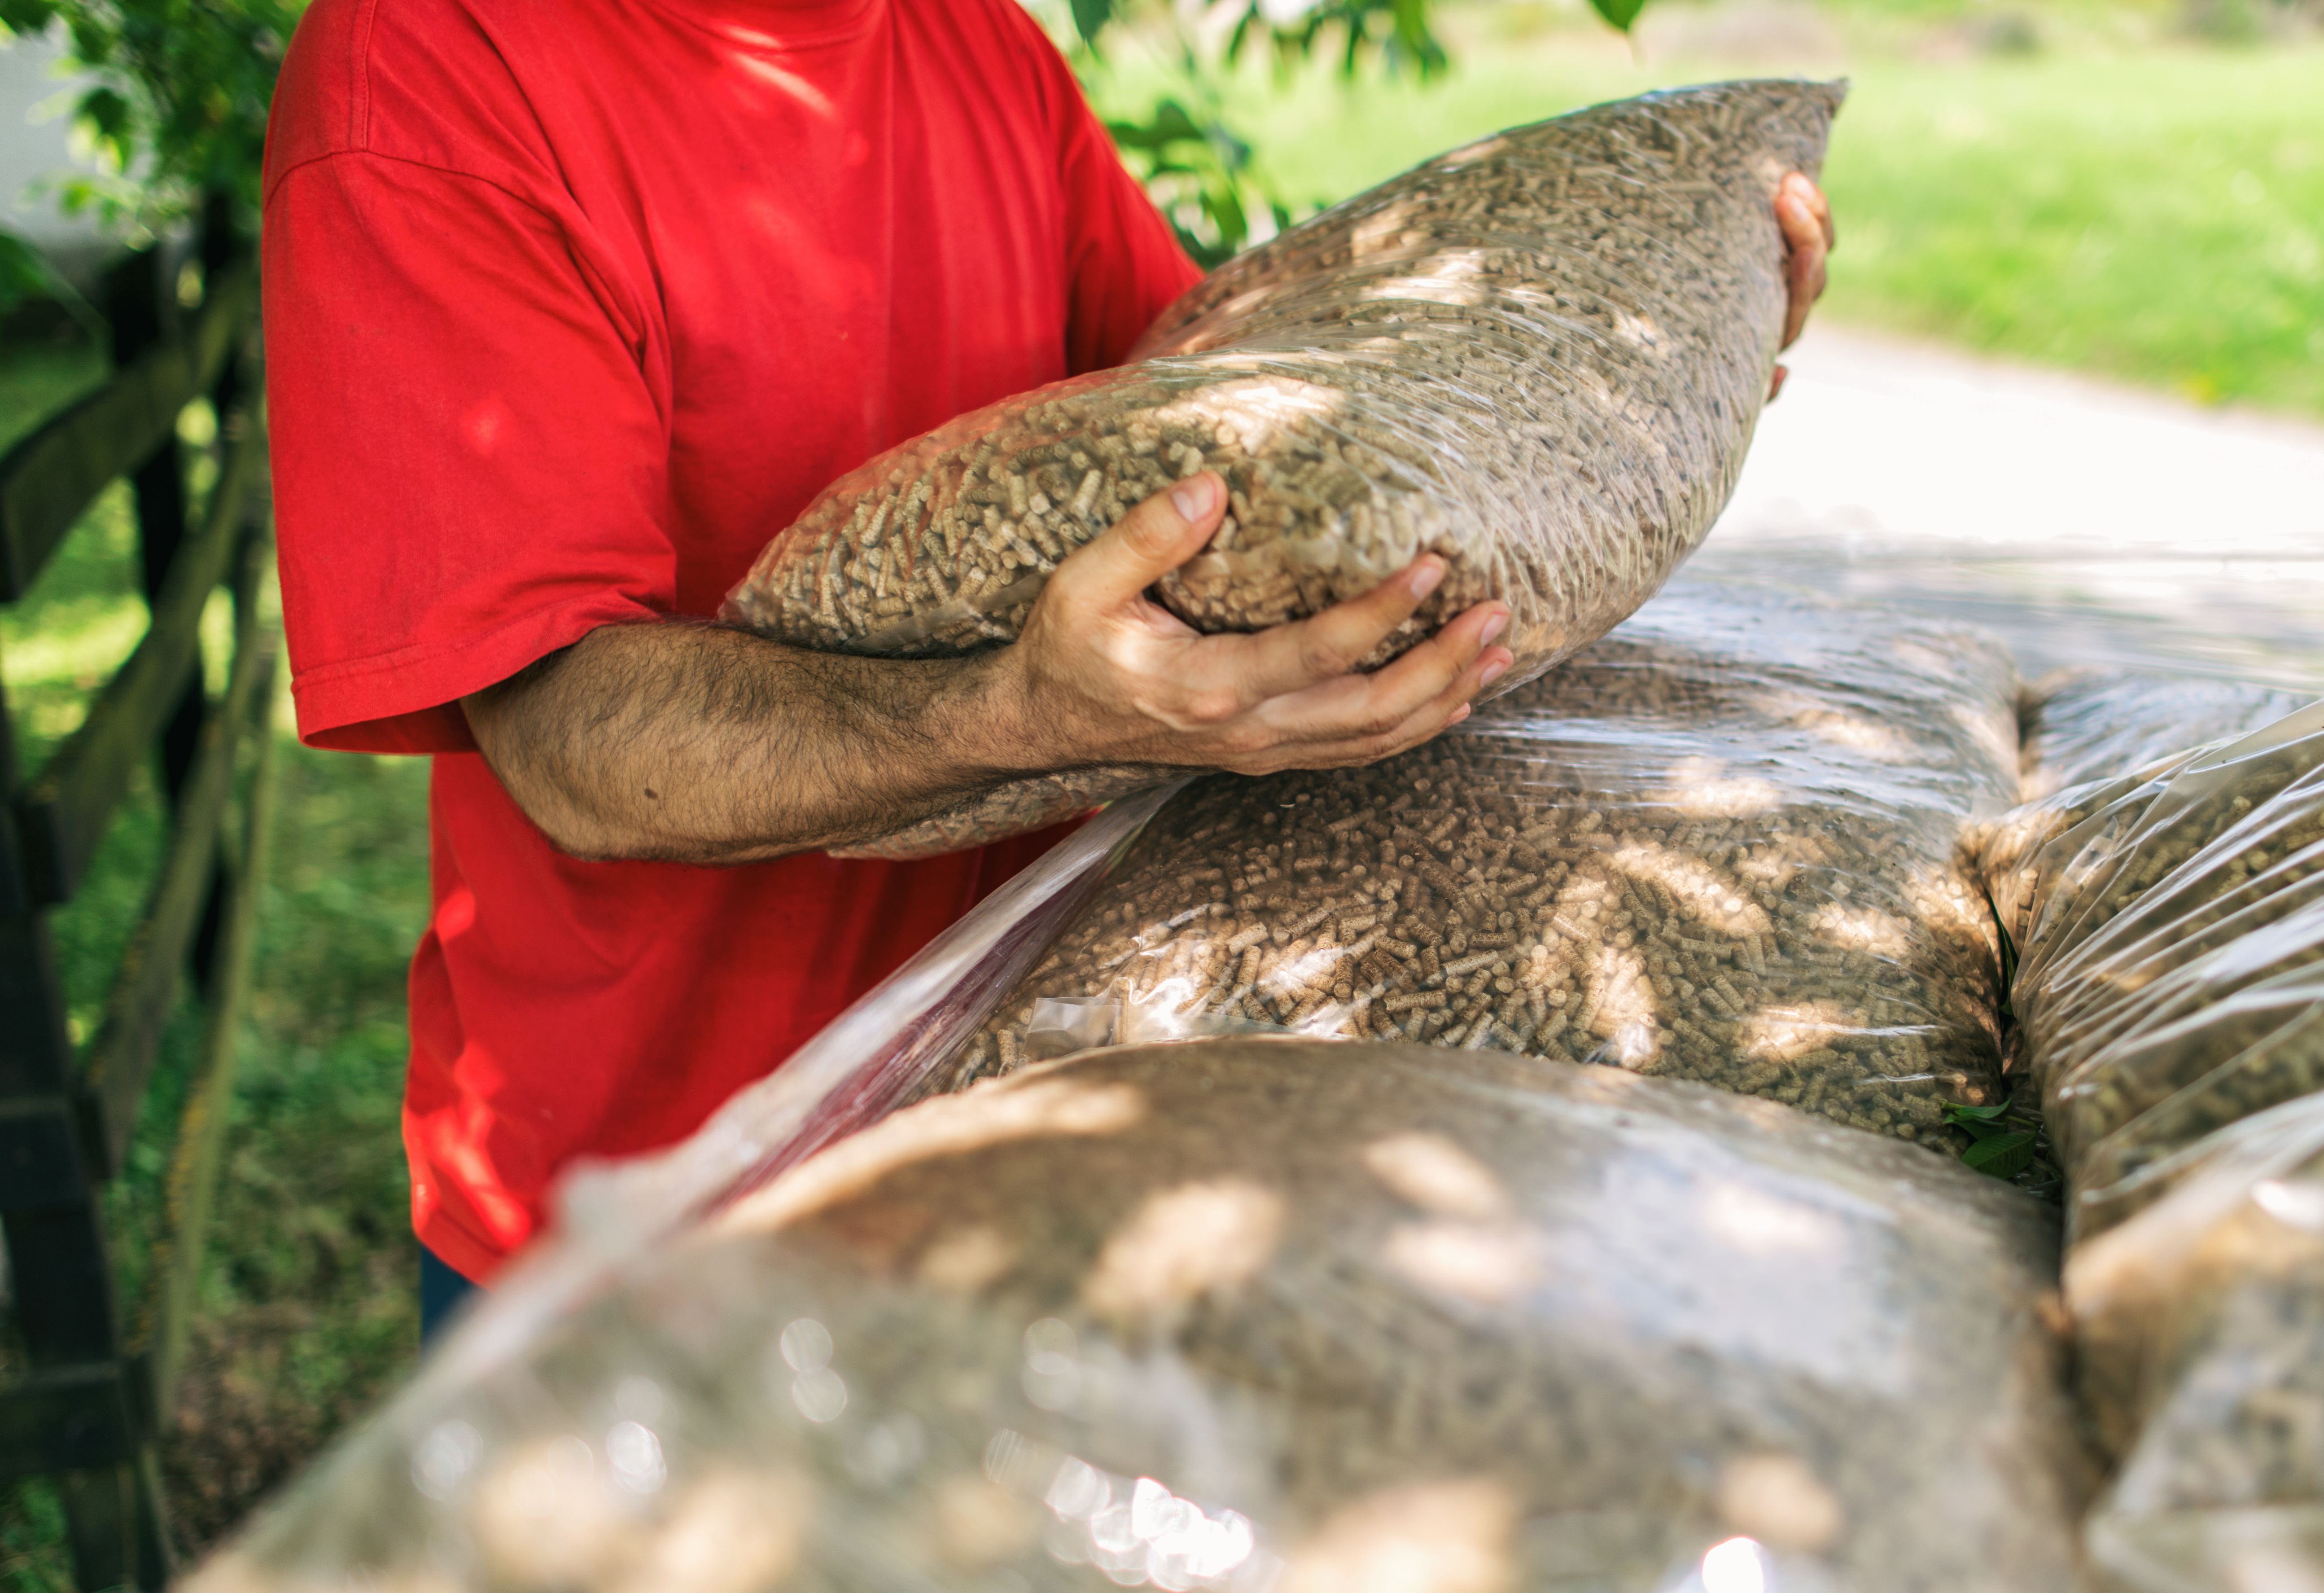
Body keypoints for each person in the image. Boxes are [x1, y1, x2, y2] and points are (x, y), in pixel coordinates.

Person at [261, 0, 1834, 1339]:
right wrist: (1009, 715)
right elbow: (565, 736)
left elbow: (1196, 394)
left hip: (1029, 1116)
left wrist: (1614, 353)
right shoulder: (431, 77)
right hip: (655, 1206)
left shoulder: (964, 37)